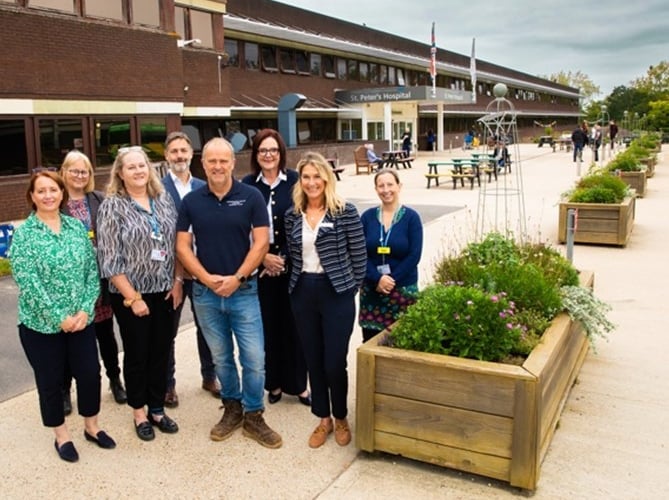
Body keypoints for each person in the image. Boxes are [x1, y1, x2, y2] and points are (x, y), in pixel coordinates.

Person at [176, 137, 282, 449]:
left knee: (254, 358)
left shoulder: (250, 197)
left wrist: (238, 277)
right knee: (222, 359)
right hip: (206, 295)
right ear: (203, 164)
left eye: (224, 160)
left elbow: (261, 243)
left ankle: (253, 414)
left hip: (244, 291)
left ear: (233, 163)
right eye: (212, 161)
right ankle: (232, 408)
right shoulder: (192, 201)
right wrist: (206, 278)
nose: (218, 166)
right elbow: (182, 245)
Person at [10, 171, 115, 463]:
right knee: (52, 380)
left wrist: (84, 310)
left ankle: (92, 427)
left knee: (89, 374)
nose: (48, 195)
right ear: (32, 196)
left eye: (53, 190)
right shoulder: (25, 235)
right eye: (41, 191)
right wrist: (59, 317)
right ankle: (61, 435)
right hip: (41, 326)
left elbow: (91, 274)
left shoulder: (74, 228)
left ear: (61, 193)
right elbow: (28, 283)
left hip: (81, 321)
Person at [97, 146, 182, 442]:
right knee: (137, 354)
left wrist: (178, 280)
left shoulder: (163, 200)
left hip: (165, 290)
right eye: (131, 167)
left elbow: (176, 245)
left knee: (161, 351)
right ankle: (139, 412)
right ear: (120, 173)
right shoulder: (112, 206)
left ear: (150, 169)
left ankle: (157, 408)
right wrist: (133, 298)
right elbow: (109, 258)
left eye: (142, 165)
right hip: (131, 295)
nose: (138, 171)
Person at [284, 152, 366, 449]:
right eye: (306, 177)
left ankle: (341, 415)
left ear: (327, 179)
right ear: (300, 181)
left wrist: (349, 289)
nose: (311, 182)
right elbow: (292, 257)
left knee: (333, 362)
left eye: (317, 176)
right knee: (313, 360)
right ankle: (323, 418)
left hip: (336, 294)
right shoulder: (293, 214)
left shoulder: (344, 211)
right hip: (303, 291)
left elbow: (359, 257)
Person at [241, 129, 310, 407]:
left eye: (273, 150)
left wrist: (282, 258)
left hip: (293, 268)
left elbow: (307, 220)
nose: (268, 155)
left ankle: (299, 386)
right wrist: (264, 258)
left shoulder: (295, 181)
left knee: (295, 326)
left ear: (281, 153)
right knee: (268, 328)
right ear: (256, 155)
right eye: (262, 151)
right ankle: (275, 383)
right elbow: (241, 229)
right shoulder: (246, 186)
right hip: (260, 270)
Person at [59, 151, 127, 412]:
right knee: (69, 339)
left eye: (84, 171)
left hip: (100, 281)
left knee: (106, 336)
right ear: (64, 171)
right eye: (74, 170)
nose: (79, 175)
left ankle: (115, 380)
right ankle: (65, 389)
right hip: (69, 285)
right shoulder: (57, 200)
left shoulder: (98, 199)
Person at [161, 131, 220, 408]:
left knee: (207, 326)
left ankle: (209, 376)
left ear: (191, 154)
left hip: (202, 271)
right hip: (173, 274)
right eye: (174, 152)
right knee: (168, 331)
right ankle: (168, 385)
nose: (179, 156)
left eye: (184, 151)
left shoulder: (203, 186)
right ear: (166, 156)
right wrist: (176, 275)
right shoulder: (157, 189)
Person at [358, 169, 423, 343]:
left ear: (399, 186)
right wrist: (377, 279)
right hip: (372, 292)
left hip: (402, 291)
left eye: (390, 184)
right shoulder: (367, 217)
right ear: (376, 189)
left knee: (403, 342)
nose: (386, 190)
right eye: (381, 185)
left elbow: (414, 255)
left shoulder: (411, 218)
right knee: (372, 344)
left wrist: (390, 280)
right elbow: (359, 253)